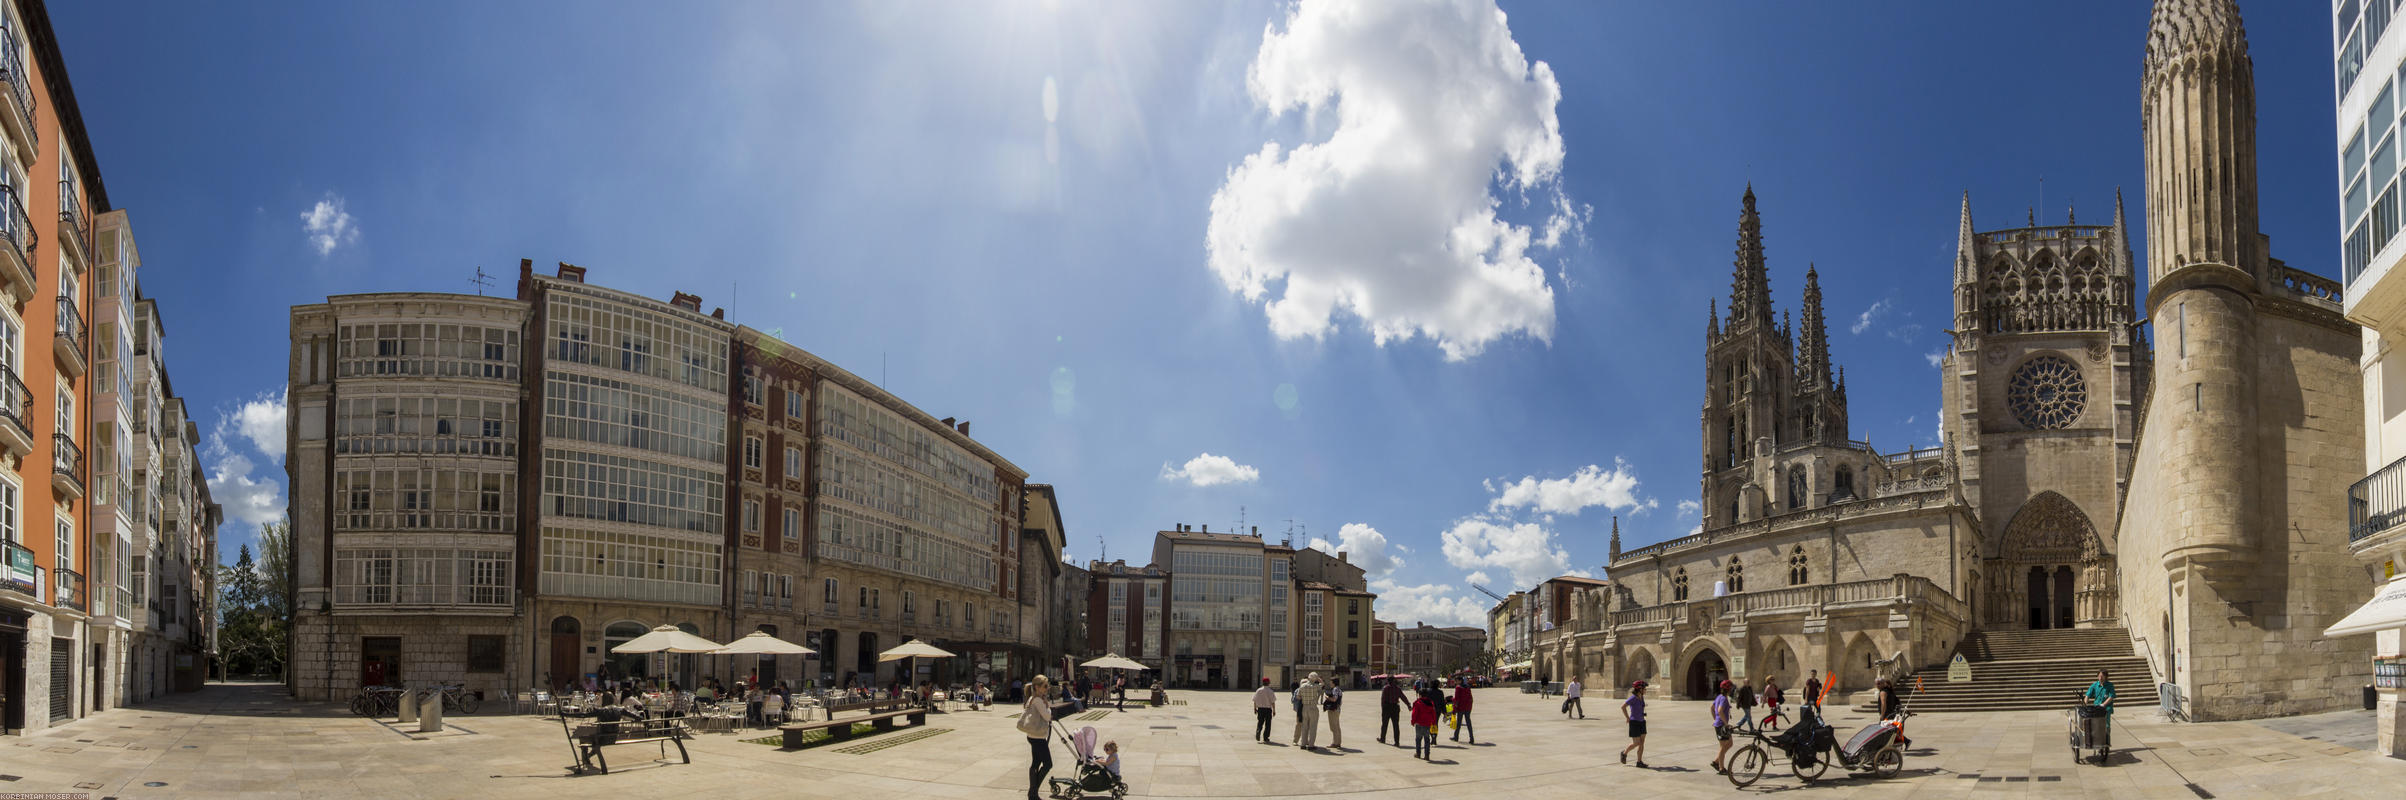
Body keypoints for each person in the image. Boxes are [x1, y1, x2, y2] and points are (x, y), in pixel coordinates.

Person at [1020, 675, 1055, 800]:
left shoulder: (1032, 698)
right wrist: (1048, 706)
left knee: (1035, 763)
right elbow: (1047, 716)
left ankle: (1033, 792)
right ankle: (1033, 791)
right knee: (1047, 764)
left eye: (1047, 686)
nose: (1047, 688)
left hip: (1033, 735)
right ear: (1037, 687)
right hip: (1038, 737)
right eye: (1045, 686)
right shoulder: (1038, 700)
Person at [1619, 681, 1649, 768]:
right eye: (1644, 689)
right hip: (1634, 722)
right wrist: (1627, 718)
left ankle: (1639, 762)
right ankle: (1624, 753)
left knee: (1642, 743)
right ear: (1640, 689)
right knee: (1636, 743)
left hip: (1642, 722)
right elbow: (1623, 706)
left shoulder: (1642, 697)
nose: (1645, 690)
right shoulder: (1633, 698)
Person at [1295, 672, 1326, 750]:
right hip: (1313, 707)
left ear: (1308, 678)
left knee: (1304, 726)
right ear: (1315, 679)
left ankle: (1303, 744)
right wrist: (1319, 679)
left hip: (1304, 707)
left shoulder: (1302, 686)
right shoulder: (1315, 686)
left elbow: (1298, 697)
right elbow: (1322, 684)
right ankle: (1311, 745)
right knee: (1313, 726)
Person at [1710, 680, 1734, 774]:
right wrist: (1725, 723)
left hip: (1719, 724)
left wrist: (1715, 719)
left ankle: (1716, 762)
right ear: (1728, 689)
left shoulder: (1719, 697)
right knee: (1723, 746)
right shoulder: (1723, 698)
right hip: (1721, 726)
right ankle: (1721, 768)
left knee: (1730, 743)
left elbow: (1711, 708)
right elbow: (1720, 710)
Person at [1409, 691, 1439, 760]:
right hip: (1427, 723)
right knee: (1427, 739)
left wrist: (1413, 721)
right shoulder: (1431, 703)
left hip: (1419, 723)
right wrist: (1434, 722)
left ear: (1420, 695)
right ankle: (1427, 755)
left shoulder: (1417, 703)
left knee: (1418, 739)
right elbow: (1433, 714)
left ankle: (1418, 753)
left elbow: (1414, 713)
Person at [1378, 677, 1405, 746]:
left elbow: (1383, 699)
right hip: (1395, 708)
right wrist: (1408, 705)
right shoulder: (1397, 689)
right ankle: (1397, 742)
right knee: (1396, 725)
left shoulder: (1386, 688)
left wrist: (1383, 708)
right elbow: (1403, 697)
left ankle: (1382, 739)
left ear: (1388, 681)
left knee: (1384, 724)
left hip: (1387, 707)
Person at [1450, 677, 1476, 743]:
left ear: (1459, 681)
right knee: (1468, 723)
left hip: (1461, 707)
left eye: (1456, 681)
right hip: (1468, 707)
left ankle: (1456, 737)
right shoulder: (1468, 687)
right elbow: (1471, 697)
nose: (1455, 682)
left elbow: (1457, 699)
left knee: (1459, 723)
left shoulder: (1458, 688)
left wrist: (1454, 707)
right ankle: (1471, 738)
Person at [1251, 677, 1278, 743]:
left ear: (1262, 683)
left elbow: (1254, 700)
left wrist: (1255, 708)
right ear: (1268, 683)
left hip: (1260, 709)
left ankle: (1258, 731)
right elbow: (1273, 702)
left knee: (1260, 722)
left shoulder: (1258, 690)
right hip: (1268, 710)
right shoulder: (1270, 691)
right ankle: (1265, 738)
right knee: (1268, 724)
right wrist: (1274, 710)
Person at [1323, 680, 1345, 749]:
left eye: (1331, 682)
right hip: (1337, 709)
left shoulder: (1335, 689)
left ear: (1334, 683)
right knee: (1337, 726)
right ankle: (1338, 742)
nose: (1330, 683)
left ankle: (1335, 743)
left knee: (1333, 727)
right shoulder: (1339, 689)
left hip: (1333, 710)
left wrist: (1327, 697)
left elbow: (1334, 699)